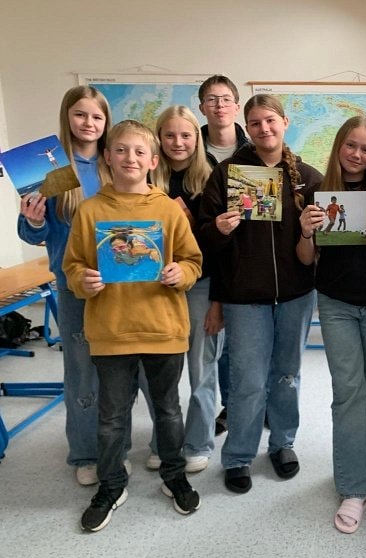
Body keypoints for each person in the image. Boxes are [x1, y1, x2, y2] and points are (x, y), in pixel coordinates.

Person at [63, 119, 203, 532]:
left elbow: (193, 260)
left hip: (163, 329)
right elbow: (72, 265)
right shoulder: (91, 210)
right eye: (121, 150)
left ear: (153, 161)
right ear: (107, 157)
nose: (130, 158)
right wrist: (83, 280)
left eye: (140, 152)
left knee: (168, 410)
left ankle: (174, 476)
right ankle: (111, 485)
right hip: (111, 331)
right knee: (111, 417)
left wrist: (182, 273)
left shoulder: (167, 210)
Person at [198, 94, 323, 494]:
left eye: (270, 120)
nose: (264, 128)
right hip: (244, 297)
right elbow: (204, 239)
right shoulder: (227, 174)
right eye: (255, 123)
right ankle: (238, 455)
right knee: (248, 380)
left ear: (285, 122)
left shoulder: (309, 177)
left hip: (296, 295)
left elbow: (323, 243)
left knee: (287, 376)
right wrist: (219, 228)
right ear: (247, 129)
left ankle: (282, 443)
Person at [297, 115, 366, 533]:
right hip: (336, 304)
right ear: (338, 146)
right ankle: (355, 487)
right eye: (350, 145)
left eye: (365, 148)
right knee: (348, 393)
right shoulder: (318, 193)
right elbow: (306, 259)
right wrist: (305, 232)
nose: (356, 154)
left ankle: (363, 476)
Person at [17, 85, 120, 487]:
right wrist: (34, 220)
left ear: (106, 121)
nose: (88, 123)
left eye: (97, 116)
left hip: (120, 284)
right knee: (81, 374)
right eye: (80, 114)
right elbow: (31, 233)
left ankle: (116, 449)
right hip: (74, 284)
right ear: (67, 117)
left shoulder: (115, 162)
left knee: (120, 374)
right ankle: (85, 453)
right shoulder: (56, 169)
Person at [143, 105, 221, 474]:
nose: (178, 142)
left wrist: (218, 301)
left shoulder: (213, 179)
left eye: (186, 135)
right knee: (159, 371)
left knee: (201, 369)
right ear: (158, 138)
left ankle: (199, 442)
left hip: (201, 285)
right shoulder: (145, 180)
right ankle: (163, 441)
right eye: (170, 135)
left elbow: (224, 247)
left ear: (197, 138)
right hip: (155, 288)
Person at [197, 74, 250, 438]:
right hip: (204, 255)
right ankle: (224, 407)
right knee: (211, 344)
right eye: (212, 100)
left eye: (226, 99)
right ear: (202, 107)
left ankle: (242, 406)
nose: (219, 106)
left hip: (247, 259)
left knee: (241, 345)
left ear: (236, 105)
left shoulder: (254, 150)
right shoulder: (189, 147)